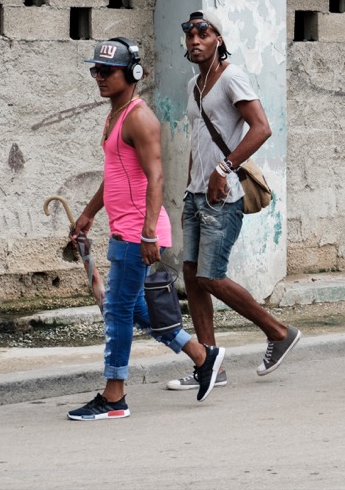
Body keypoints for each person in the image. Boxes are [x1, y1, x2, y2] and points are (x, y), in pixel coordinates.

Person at [67, 37, 224, 421]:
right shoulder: (115, 115)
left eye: (108, 71)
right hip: (127, 228)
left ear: (133, 73)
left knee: (117, 313)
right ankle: (203, 357)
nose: (100, 78)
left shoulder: (139, 117)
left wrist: (149, 232)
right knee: (137, 310)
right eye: (96, 71)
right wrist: (89, 214)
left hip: (138, 233)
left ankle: (114, 396)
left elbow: (156, 177)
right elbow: (116, 174)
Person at [165, 11, 300, 393]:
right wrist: (190, 188)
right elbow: (198, 141)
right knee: (191, 276)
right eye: (189, 33)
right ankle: (210, 363)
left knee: (210, 275)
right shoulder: (194, 85)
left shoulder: (232, 78)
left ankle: (278, 332)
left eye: (203, 33)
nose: (195, 39)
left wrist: (222, 169)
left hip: (223, 197)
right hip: (197, 195)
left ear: (219, 39)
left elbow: (261, 128)